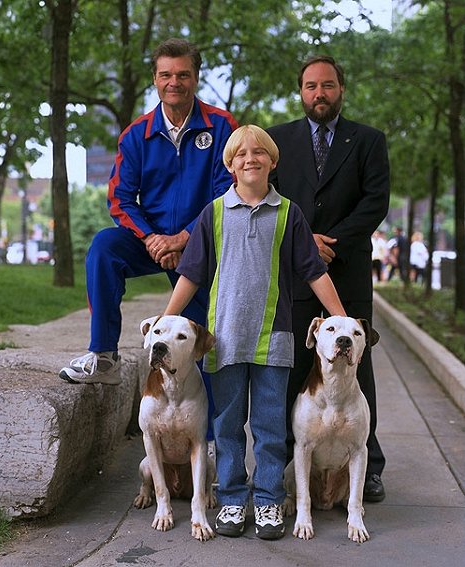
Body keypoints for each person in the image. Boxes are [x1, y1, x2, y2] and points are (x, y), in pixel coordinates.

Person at [163, 125, 346, 540]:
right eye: (241, 154)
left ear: (272, 161)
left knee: (268, 426)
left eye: (259, 152)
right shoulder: (212, 213)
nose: (250, 158)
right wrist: (166, 320)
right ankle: (230, 499)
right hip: (222, 339)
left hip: (273, 338)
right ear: (229, 165)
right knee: (227, 425)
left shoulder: (288, 214)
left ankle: (266, 502)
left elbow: (314, 272)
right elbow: (191, 274)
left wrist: (341, 321)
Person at [58, 35, 238, 430]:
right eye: (166, 75)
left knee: (198, 341)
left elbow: (227, 193)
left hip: (201, 245)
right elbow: (121, 198)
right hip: (151, 242)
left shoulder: (222, 126)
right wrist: (153, 239)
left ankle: (208, 446)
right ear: (155, 80)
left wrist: (185, 238)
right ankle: (103, 356)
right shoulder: (136, 134)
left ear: (196, 78)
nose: (175, 82)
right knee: (104, 246)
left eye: (183, 74)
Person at [267, 54, 390, 503]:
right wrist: (302, 242)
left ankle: (369, 465)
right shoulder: (278, 140)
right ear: (301, 92)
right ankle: (279, 466)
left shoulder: (369, 141)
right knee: (295, 367)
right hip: (297, 275)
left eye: (328, 85)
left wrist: (331, 240)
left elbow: (375, 202)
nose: (320, 93)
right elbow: (272, 199)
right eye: (311, 86)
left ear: (341, 88)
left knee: (360, 370)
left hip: (348, 273)